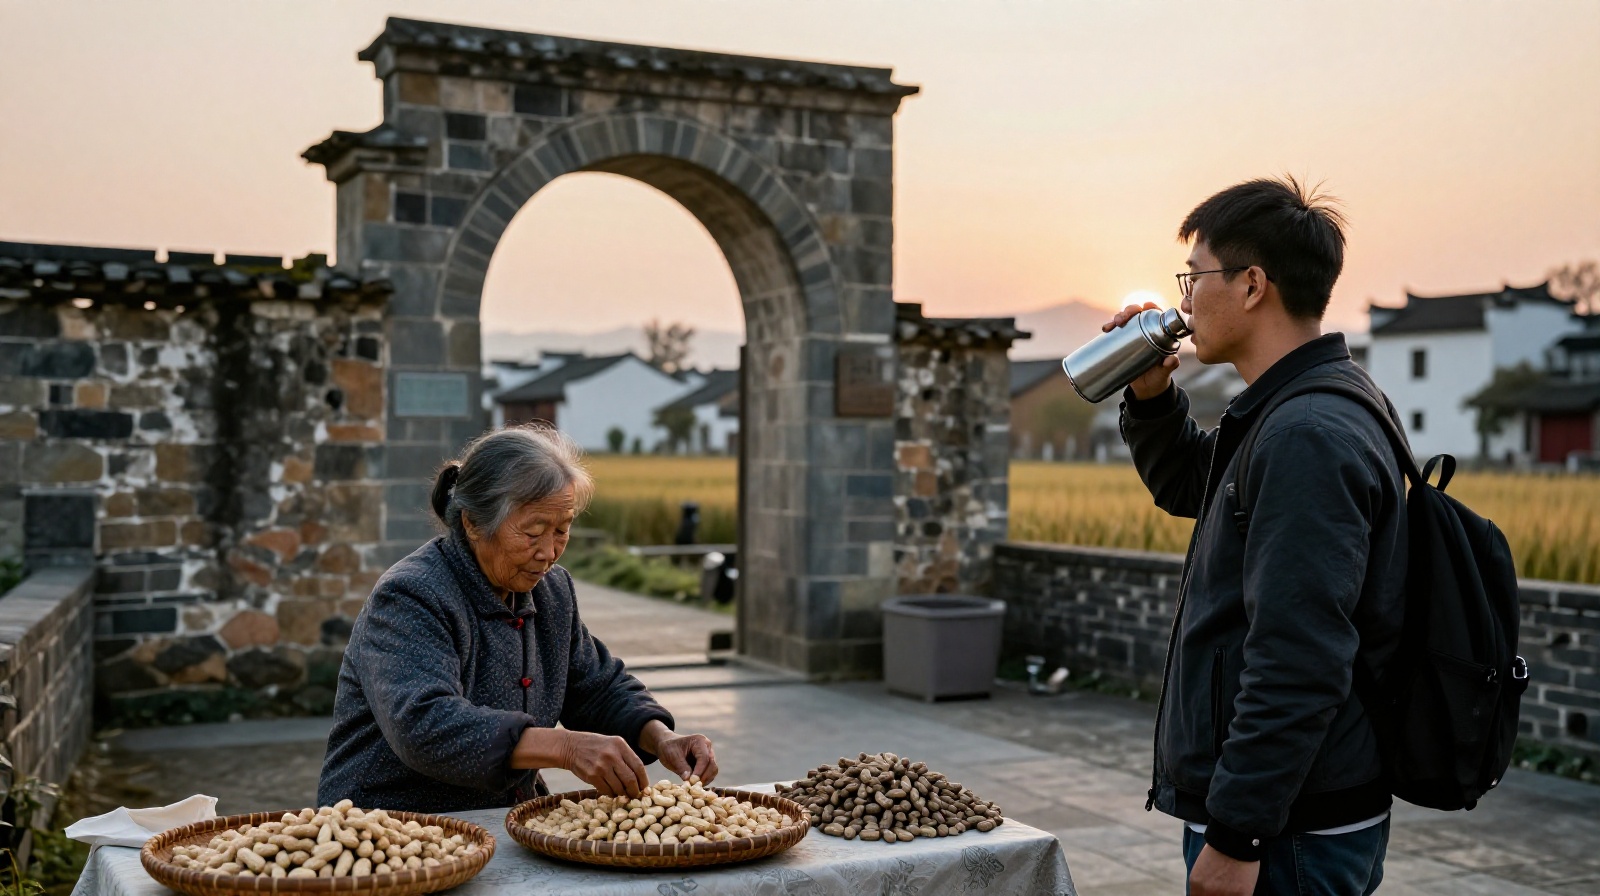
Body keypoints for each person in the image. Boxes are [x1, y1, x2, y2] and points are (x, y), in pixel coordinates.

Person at [1109, 177, 1406, 895]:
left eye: (1195, 275)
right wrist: (1151, 399)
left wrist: (1237, 834)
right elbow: (1194, 487)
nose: (1183, 300)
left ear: (1250, 285)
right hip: (1286, 818)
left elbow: (1298, 654)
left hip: (1288, 835)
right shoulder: (1295, 408)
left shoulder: (1308, 433)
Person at [318, 425, 718, 813]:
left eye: (562, 530)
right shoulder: (413, 594)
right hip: (388, 824)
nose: (549, 552)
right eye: (533, 532)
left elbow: (595, 686)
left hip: (501, 817)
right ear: (473, 523)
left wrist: (661, 737)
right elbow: (425, 725)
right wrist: (566, 748)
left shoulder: (552, 591)